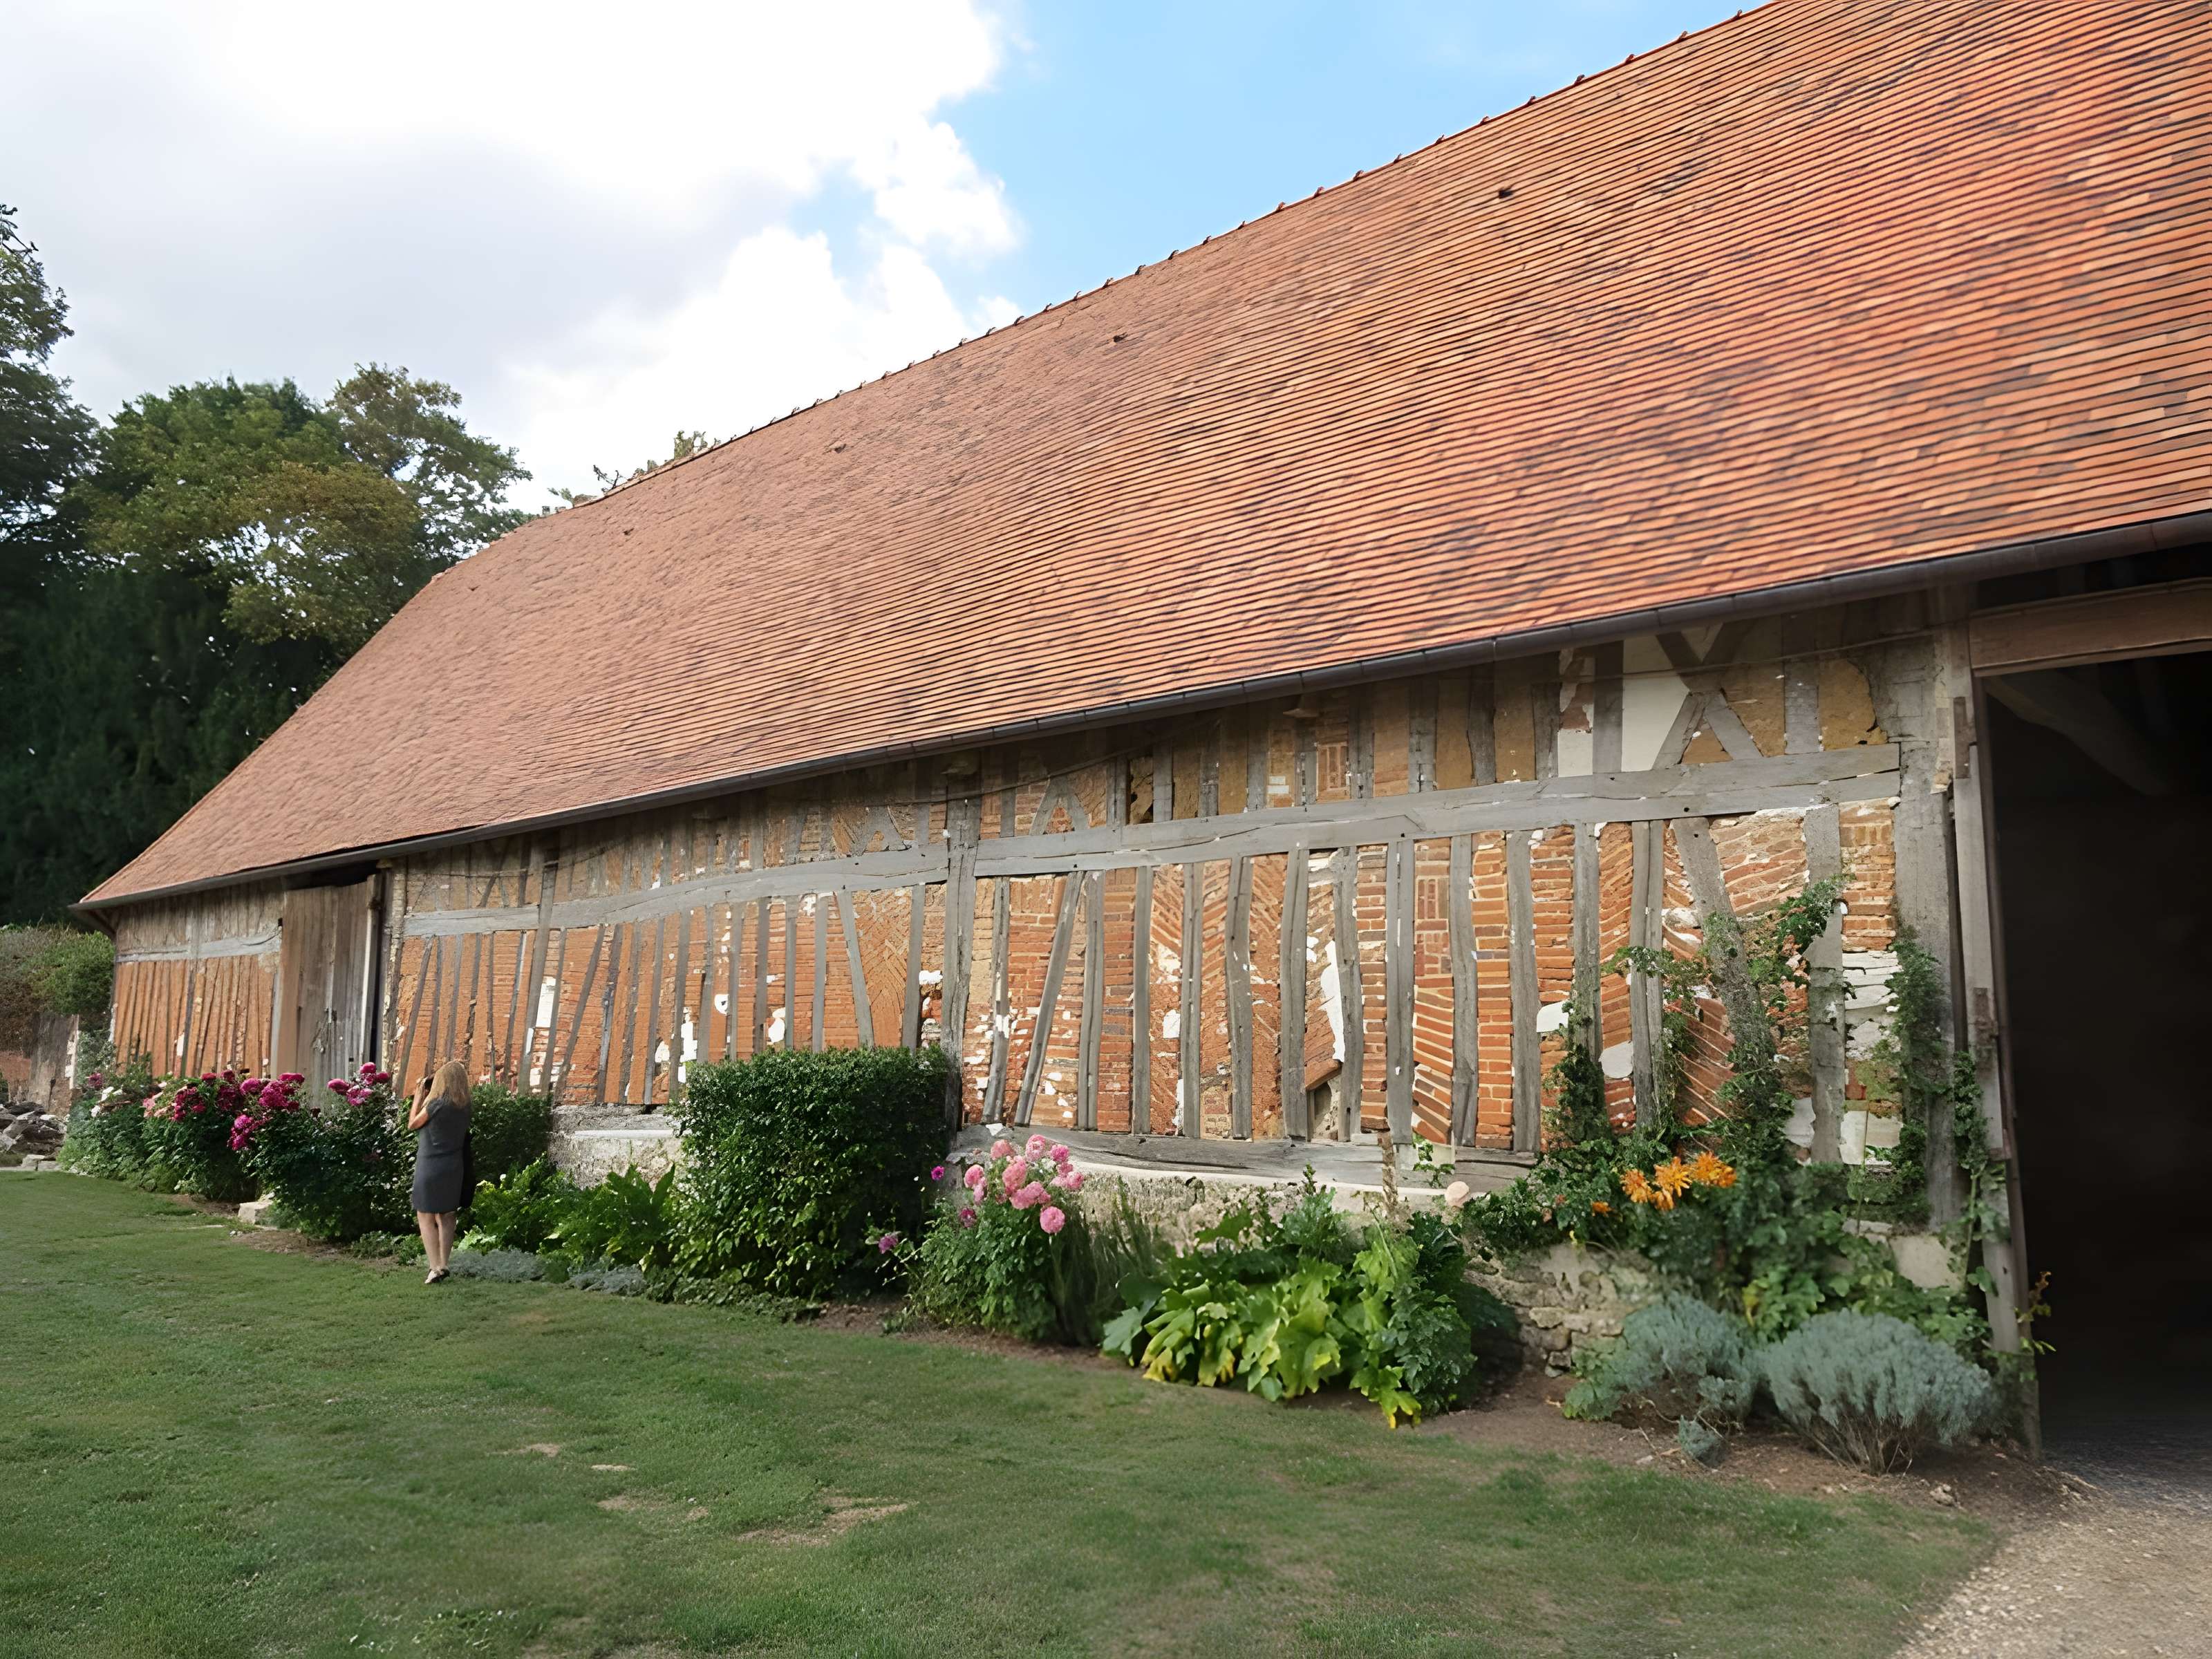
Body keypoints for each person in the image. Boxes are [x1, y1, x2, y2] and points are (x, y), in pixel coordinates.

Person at [409, 1060, 472, 1284]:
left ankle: (434, 1267)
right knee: (447, 1215)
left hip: (430, 1165)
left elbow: (413, 1124)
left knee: (425, 1215)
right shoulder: (465, 1106)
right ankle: (444, 1264)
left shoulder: (435, 1104)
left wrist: (419, 1095)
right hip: (454, 1166)